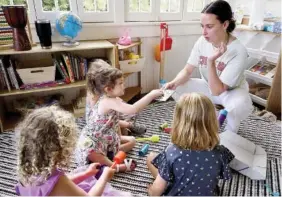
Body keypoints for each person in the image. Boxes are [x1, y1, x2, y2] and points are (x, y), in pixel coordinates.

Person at [165, 0, 253, 133]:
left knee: (237, 107)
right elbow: (188, 70)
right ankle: (199, 121)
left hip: (230, 92)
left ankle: (228, 137)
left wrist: (211, 61)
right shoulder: (202, 41)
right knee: (177, 86)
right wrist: (174, 82)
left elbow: (219, 90)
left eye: (209, 26)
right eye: (202, 26)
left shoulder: (238, 51)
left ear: (225, 24)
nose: (204, 32)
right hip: (207, 86)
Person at [15, 106, 130, 196]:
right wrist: (104, 177)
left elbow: (56, 188)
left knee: (84, 181)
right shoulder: (59, 181)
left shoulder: (29, 169)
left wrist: (86, 174)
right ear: (60, 149)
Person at [77, 59, 163, 172]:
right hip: (94, 142)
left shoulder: (111, 98)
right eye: (121, 83)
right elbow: (133, 109)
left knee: (132, 140)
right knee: (94, 153)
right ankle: (116, 167)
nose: (124, 85)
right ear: (108, 89)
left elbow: (117, 119)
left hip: (106, 138)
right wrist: (151, 95)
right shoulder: (107, 101)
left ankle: (110, 155)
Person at [146, 93, 234, 196]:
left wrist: (151, 191)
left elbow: (156, 192)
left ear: (178, 123)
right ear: (212, 122)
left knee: (150, 158)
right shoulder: (220, 152)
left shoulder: (171, 152)